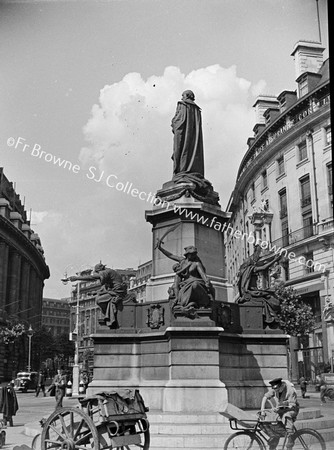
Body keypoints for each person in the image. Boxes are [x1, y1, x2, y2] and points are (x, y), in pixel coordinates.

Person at [156, 239, 214, 313]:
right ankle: (186, 304)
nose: (193, 255)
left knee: (195, 284)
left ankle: (193, 304)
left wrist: (206, 281)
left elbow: (202, 274)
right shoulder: (182, 261)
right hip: (185, 284)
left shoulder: (196, 263)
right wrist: (160, 248)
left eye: (194, 254)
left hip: (196, 281)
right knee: (185, 286)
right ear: (187, 254)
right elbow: (171, 255)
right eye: (191, 254)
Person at [68, 263, 134, 329]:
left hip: (118, 292)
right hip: (115, 291)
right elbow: (105, 288)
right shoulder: (109, 273)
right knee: (100, 299)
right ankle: (108, 316)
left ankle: (109, 317)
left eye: (98, 272)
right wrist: (95, 292)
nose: (98, 273)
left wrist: (77, 278)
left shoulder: (106, 272)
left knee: (99, 300)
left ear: (100, 270)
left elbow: (92, 278)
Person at [171, 90, 204, 176]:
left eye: (183, 95)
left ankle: (181, 169)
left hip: (182, 135)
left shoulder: (182, 105)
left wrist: (173, 123)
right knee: (191, 150)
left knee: (180, 150)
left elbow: (179, 122)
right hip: (192, 138)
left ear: (187, 96)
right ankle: (189, 168)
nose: (182, 98)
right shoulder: (197, 110)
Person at [260, 377, 299, 450]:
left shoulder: (290, 390)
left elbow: (292, 404)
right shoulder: (275, 388)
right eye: (275, 390)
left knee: (286, 415)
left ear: (282, 386)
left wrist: (282, 406)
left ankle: (291, 436)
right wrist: (262, 412)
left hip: (292, 409)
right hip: (280, 410)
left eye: (277, 389)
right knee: (272, 420)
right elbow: (265, 397)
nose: (276, 391)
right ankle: (274, 438)